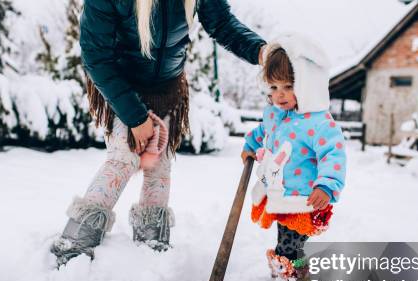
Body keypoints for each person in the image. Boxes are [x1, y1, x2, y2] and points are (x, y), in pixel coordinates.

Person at [50, 0, 267, 267]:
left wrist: (261, 51)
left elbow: (220, 23)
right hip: (122, 86)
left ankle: (151, 243)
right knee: (123, 159)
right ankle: (74, 243)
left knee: (159, 166)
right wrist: (136, 117)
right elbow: (96, 55)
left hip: (167, 87)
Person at [241, 33, 347, 281]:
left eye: (289, 86)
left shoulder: (319, 122)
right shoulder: (275, 114)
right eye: (274, 86)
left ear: (308, 85)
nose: (280, 94)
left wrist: (326, 185)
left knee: (290, 246)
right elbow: (264, 132)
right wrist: (251, 145)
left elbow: (333, 154)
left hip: (304, 199)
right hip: (280, 196)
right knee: (283, 242)